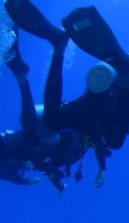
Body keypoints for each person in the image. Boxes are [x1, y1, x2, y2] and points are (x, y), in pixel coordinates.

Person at [3, 0, 129, 189]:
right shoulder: (127, 99)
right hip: (95, 111)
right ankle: (62, 48)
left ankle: (59, 46)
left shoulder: (123, 106)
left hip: (92, 114)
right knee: (109, 139)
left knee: (56, 123)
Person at [0, 31, 88, 192]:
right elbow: (42, 168)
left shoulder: (6, 159)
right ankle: (23, 76)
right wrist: (53, 184)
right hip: (43, 138)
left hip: (39, 135)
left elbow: (18, 175)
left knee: (31, 132)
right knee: (34, 133)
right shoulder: (6, 167)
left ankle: (22, 76)